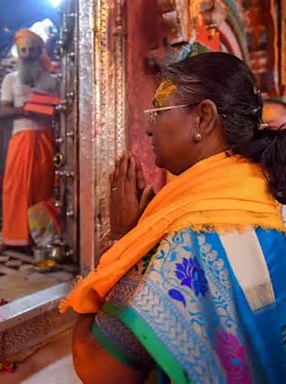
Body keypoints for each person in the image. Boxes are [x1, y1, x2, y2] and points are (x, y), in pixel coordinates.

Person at [63, 52, 286, 383]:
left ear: (203, 118)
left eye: (157, 111)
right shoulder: (263, 199)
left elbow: (98, 369)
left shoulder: (185, 240)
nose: (149, 129)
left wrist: (121, 240)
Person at [0, 29, 59, 255]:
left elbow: (58, 110)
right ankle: (12, 238)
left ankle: (39, 238)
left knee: (41, 188)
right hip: (21, 139)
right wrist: (24, 110)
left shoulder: (51, 80)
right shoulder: (10, 80)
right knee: (15, 189)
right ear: (19, 53)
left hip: (44, 138)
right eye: (24, 50)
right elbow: (2, 111)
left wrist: (44, 110)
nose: (28, 54)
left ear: (39, 51)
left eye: (33, 50)